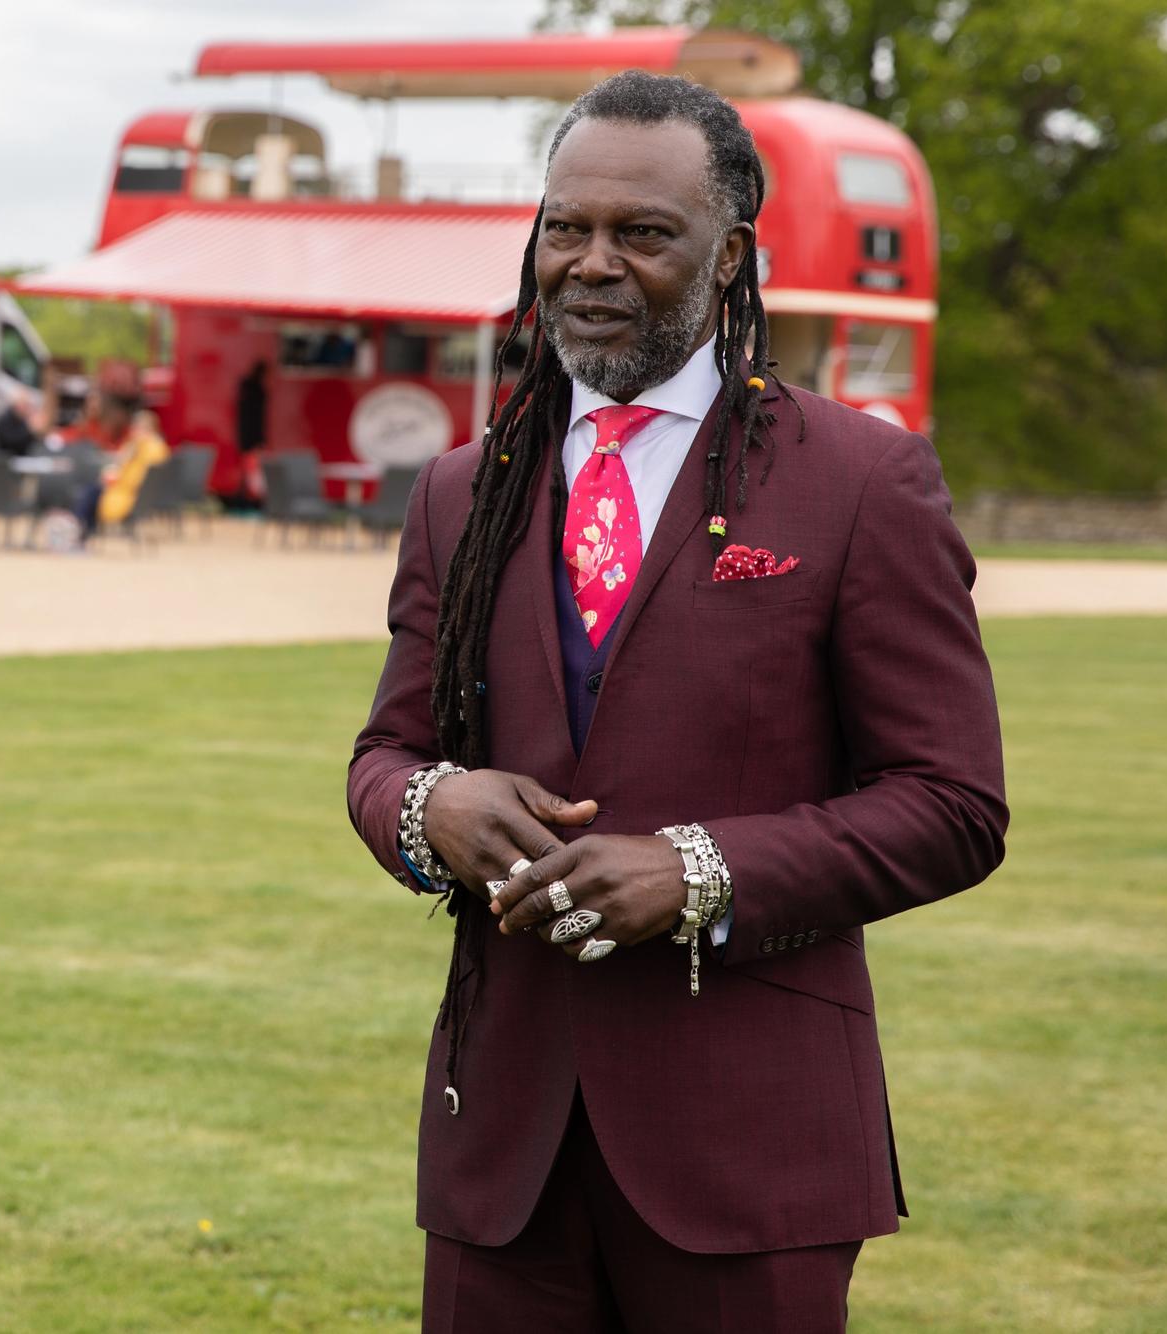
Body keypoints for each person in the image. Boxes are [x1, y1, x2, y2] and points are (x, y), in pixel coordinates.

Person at [348, 71, 1007, 1334]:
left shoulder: (860, 481)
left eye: (642, 233)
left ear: (728, 254)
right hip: (502, 1150)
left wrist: (699, 869)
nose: (591, 264)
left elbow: (953, 803)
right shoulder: (457, 491)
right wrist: (435, 806)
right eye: (565, 227)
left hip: (749, 1150)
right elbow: (387, 752)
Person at [74, 408, 169, 542]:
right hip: (134, 494)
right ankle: (85, 532)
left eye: (138, 428)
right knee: (91, 491)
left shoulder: (145, 447)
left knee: (89, 493)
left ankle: (83, 533)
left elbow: (134, 476)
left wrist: (123, 461)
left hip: (127, 495)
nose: (134, 431)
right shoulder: (153, 446)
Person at [235, 360, 269, 505]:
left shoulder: (246, 387)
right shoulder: (257, 390)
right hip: (253, 436)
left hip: (246, 435)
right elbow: (258, 416)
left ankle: (248, 494)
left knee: (249, 467)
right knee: (252, 467)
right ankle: (251, 495)